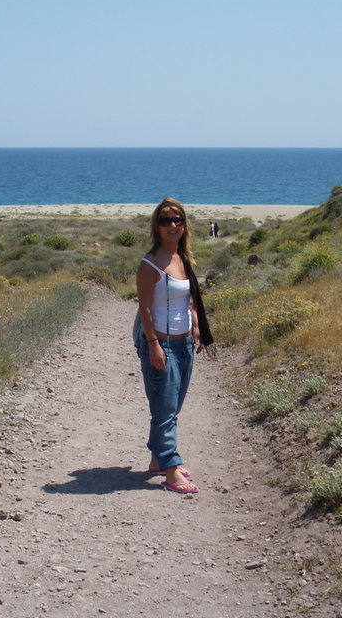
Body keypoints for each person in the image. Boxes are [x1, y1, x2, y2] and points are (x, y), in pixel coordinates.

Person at [135, 198, 213, 493]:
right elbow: (146, 310)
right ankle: (170, 470)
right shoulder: (150, 264)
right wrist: (154, 344)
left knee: (172, 406)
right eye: (166, 220)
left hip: (184, 345)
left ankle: (158, 458)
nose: (173, 225)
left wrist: (195, 327)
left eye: (178, 219)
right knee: (165, 409)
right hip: (162, 344)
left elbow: (189, 298)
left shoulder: (183, 258)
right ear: (157, 226)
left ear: (184, 225)